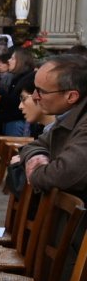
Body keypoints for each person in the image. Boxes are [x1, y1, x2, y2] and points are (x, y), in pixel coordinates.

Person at [18, 54, 87, 198]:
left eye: (41, 91)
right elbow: (32, 146)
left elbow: (62, 175)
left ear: (71, 96)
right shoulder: (68, 116)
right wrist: (37, 158)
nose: (35, 97)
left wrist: (34, 172)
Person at [0, 47, 36, 138]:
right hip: (10, 120)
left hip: (16, 121)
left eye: (12, 58)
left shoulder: (27, 79)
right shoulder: (17, 77)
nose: (9, 61)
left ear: (21, 61)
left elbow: (15, 102)